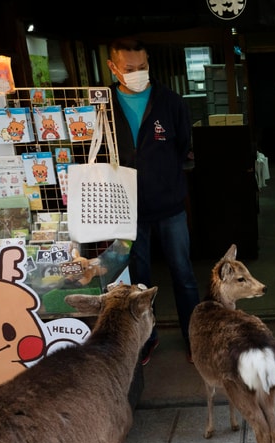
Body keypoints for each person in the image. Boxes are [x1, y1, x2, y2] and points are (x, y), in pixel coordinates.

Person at [107, 37, 200, 365]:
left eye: (142, 67)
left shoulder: (171, 102)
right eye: (130, 69)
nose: (137, 73)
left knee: (183, 273)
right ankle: (148, 337)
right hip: (125, 208)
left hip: (170, 204)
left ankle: (195, 338)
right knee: (138, 278)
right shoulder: (103, 104)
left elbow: (184, 149)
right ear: (113, 68)